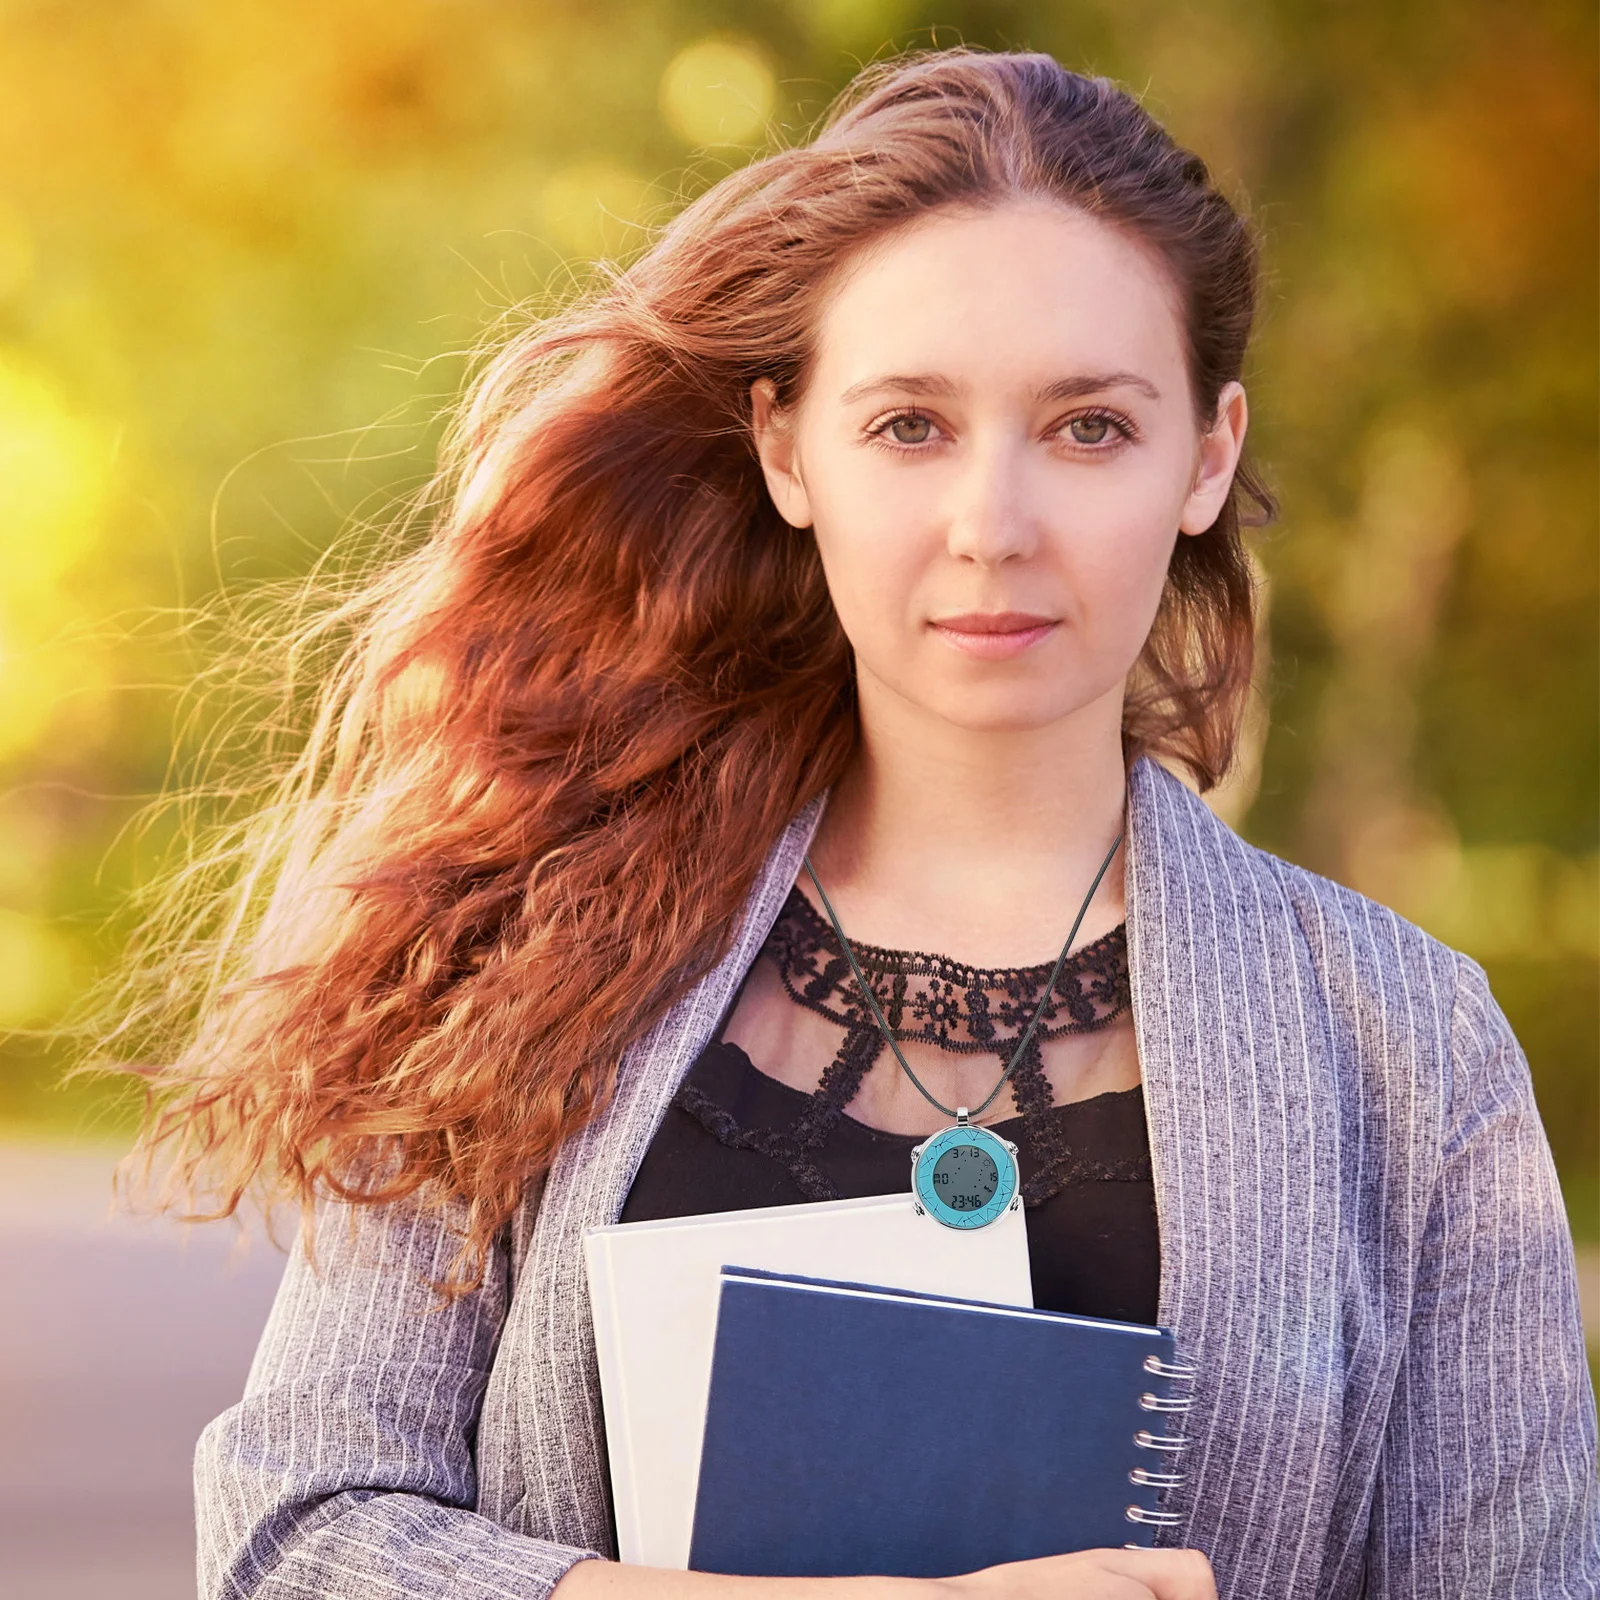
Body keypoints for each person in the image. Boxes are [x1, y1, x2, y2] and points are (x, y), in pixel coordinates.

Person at [120, 47, 1596, 1600]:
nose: (994, 526)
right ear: (785, 450)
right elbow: (294, 1531)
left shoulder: (1413, 1052)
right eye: (910, 426)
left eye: (1089, 426)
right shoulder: (538, 940)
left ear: (1208, 457)